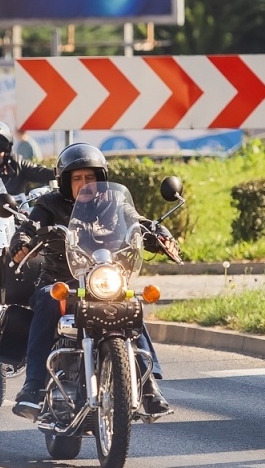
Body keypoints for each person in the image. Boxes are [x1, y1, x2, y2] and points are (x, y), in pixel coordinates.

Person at [11, 143, 172, 418]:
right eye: (77, 178)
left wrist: (159, 235)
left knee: (130, 305)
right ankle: (33, 386)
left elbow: (138, 222)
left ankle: (149, 387)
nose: (85, 183)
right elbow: (29, 227)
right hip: (62, 283)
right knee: (50, 299)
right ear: (65, 182)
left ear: (101, 178)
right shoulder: (49, 204)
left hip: (103, 280)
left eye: (90, 177)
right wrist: (23, 242)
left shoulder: (115, 203)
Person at [0, 120, 51, 194]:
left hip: (16, 208)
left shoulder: (16, 163)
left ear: (6, 150)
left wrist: (59, 174)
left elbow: (39, 171)